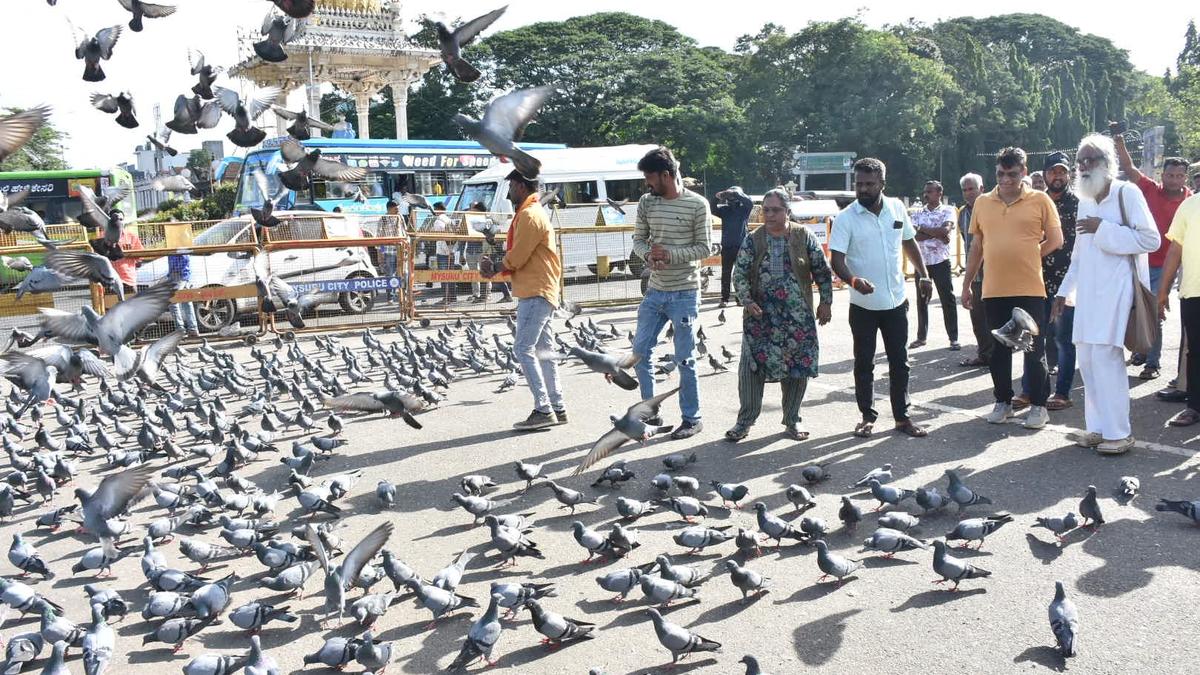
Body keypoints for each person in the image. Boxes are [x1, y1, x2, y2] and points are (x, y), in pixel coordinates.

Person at [1053, 134, 1159, 454]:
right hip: (1087, 295)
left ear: (1107, 164)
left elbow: (1150, 240)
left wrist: (1105, 229)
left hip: (1117, 292)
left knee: (1106, 359)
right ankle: (1097, 429)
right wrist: (1062, 292)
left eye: (1091, 160)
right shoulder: (1085, 198)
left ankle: (1120, 433)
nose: (1084, 166)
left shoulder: (1127, 193)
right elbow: (1078, 255)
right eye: (1080, 161)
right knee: (1086, 360)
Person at [829, 157, 931, 439]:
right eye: (858, 184)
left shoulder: (897, 207)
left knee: (900, 362)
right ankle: (867, 416)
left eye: (868, 184)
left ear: (882, 184)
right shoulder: (846, 218)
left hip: (896, 302)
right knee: (864, 363)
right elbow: (836, 259)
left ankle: (902, 417)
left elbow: (908, 240)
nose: (862, 189)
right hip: (863, 306)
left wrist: (923, 275)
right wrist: (852, 280)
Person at [961, 147, 1063, 429]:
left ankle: (1039, 406)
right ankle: (1003, 402)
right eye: (1001, 174)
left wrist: (1030, 256)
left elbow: (1056, 239)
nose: (1006, 179)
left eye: (1012, 174)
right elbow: (977, 248)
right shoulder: (982, 202)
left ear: (1024, 173)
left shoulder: (1040, 200)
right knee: (998, 349)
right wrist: (967, 284)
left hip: (1030, 288)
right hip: (993, 289)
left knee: (1033, 349)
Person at [725, 188, 833, 442]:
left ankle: (792, 421)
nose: (770, 214)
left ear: (787, 211)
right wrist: (747, 300)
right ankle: (744, 422)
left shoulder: (802, 235)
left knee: (797, 370)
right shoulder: (753, 239)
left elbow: (821, 269)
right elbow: (739, 274)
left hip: (797, 319)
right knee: (751, 371)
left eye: (776, 210)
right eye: (766, 209)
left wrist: (826, 302)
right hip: (760, 319)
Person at [630, 146, 712, 440]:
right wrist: (648, 257)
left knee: (685, 359)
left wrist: (670, 254)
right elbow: (638, 240)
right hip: (655, 292)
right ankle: (650, 415)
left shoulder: (698, 205)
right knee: (640, 354)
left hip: (685, 293)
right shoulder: (646, 203)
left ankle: (692, 419)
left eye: (650, 178)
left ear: (667, 175)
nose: (647, 185)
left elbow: (705, 248)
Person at [481, 170, 566, 431]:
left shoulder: (530, 215)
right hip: (540, 288)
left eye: (510, 186)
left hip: (535, 290)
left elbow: (517, 257)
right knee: (543, 352)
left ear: (519, 186)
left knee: (523, 349)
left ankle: (544, 409)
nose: (508, 192)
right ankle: (557, 406)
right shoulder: (532, 212)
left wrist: (495, 266)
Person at [1115, 126, 1194, 380]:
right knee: (1132, 308)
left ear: (1186, 178)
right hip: (1139, 261)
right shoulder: (1150, 189)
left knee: (1155, 311)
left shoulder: (1191, 201)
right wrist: (1119, 141)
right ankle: (1140, 349)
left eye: (1179, 176)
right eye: (1170, 175)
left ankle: (1152, 362)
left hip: (1169, 267)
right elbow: (1129, 169)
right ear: (1163, 175)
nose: (1174, 180)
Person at [1014, 151, 1080, 412]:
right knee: (1032, 336)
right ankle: (1029, 390)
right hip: (1036, 279)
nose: (1058, 175)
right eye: (1053, 171)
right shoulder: (1034, 202)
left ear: (1069, 174)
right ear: (1044, 174)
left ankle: (1062, 392)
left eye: (1062, 171)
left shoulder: (1079, 204)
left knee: (1064, 339)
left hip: (1067, 282)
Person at [1157, 192, 1200, 425]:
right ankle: (1194, 406)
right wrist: (1163, 290)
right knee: (1195, 353)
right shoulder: (1190, 205)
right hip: (1193, 291)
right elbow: (1175, 250)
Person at [909, 180, 959, 350]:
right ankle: (921, 337)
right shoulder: (917, 212)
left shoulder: (948, 210)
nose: (926, 195)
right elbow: (914, 236)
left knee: (947, 299)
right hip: (921, 262)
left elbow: (945, 231)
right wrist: (937, 234)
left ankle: (953, 337)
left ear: (939, 193)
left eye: (930, 191)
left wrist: (925, 229)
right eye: (925, 191)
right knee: (922, 300)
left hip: (940, 261)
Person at [957, 173, 992, 368]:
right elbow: (967, 241)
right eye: (965, 189)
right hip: (975, 274)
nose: (969, 192)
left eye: (972, 188)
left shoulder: (992, 208)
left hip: (994, 271)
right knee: (977, 317)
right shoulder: (962, 213)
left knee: (995, 316)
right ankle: (985, 354)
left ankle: (998, 355)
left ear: (982, 188)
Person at [713, 186, 753, 308]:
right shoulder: (724, 210)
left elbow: (749, 202)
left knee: (741, 274)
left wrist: (735, 193)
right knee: (726, 273)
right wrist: (718, 196)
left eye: (733, 197)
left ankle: (740, 297)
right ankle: (724, 298)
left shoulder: (744, 209)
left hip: (741, 247)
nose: (731, 198)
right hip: (727, 246)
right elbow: (712, 208)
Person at [428, 202, 458, 304]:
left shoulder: (438, 221)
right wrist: (451, 251)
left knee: (444, 276)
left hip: (442, 252)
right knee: (451, 276)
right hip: (451, 251)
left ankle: (446, 298)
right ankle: (453, 297)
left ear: (438, 209)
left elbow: (440, 237)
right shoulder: (450, 220)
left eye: (435, 209)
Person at [167, 253, 199, 336]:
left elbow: (185, 259)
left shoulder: (177, 243)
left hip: (179, 275)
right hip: (181, 274)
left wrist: (175, 272)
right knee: (186, 301)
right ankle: (193, 328)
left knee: (173, 301)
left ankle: (180, 329)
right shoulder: (175, 243)